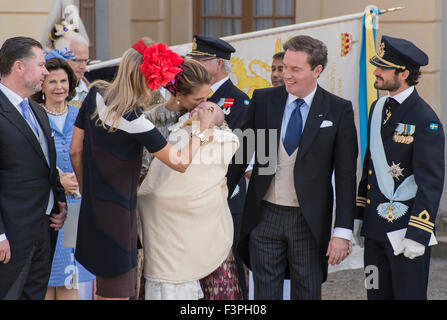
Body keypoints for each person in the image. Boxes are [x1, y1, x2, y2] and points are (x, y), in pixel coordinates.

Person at [69, 38, 214, 300]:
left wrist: (87, 189)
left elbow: (75, 151)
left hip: (92, 212)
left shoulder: (94, 94)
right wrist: (202, 133)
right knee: (115, 295)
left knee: (102, 292)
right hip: (119, 219)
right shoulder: (135, 120)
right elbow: (180, 162)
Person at [226, 35, 358, 300]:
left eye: (295, 69)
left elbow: (345, 176)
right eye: (285, 67)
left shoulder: (337, 110)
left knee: (307, 293)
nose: (286, 75)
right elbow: (240, 155)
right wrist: (218, 197)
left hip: (308, 221)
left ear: (317, 70)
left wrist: (342, 231)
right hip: (263, 217)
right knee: (265, 295)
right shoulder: (263, 100)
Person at [138, 58, 242, 300]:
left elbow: (225, 144)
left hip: (207, 225)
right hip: (168, 230)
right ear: (177, 94)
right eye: (198, 99)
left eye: (207, 98)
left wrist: (215, 117)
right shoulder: (152, 120)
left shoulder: (207, 113)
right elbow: (145, 175)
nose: (203, 105)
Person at [353, 35, 445, 300]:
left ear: (404, 73)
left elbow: (431, 182)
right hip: (374, 232)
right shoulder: (377, 107)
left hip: (405, 234)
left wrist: (418, 233)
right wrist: (359, 215)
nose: (376, 71)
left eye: (383, 67)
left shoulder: (425, 119)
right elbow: (369, 165)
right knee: (375, 294)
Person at [0, 36, 67, 299]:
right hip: (11, 235)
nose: (46, 72)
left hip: (43, 229)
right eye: (40, 65)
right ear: (19, 67)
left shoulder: (37, 111)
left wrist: (59, 202)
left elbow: (45, 164)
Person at [187, 34, 250, 298]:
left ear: (219, 65)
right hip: (194, 195)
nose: (196, 66)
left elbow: (242, 150)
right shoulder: (190, 96)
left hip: (226, 195)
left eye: (202, 61)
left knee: (230, 271)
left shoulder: (239, 101)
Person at [31, 50, 96, 300]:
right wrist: (58, 180)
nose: (59, 87)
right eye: (52, 81)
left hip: (78, 210)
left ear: (71, 84)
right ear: (43, 85)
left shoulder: (82, 116)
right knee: (44, 283)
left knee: (71, 284)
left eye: (63, 81)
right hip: (45, 211)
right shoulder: (33, 117)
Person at [54, 32, 90, 107]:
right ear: (61, 59)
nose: (83, 66)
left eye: (85, 60)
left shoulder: (92, 89)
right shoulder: (48, 91)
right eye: (77, 60)